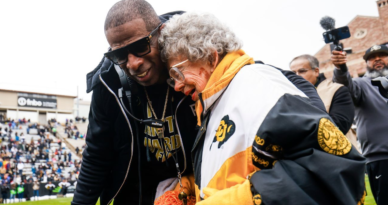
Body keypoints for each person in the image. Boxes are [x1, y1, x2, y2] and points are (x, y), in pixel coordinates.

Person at [157, 12, 366, 204]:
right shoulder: (217, 101)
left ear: (210, 57)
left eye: (177, 73)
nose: (177, 85)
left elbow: (332, 171)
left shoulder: (260, 87)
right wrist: (189, 187)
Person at [72, 1, 198, 205]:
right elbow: (96, 155)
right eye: (119, 54)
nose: (133, 63)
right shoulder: (108, 83)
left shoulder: (196, 59)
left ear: (161, 33)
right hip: (134, 197)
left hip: (197, 193)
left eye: (141, 46)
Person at [331, 44, 388, 205]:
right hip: (382, 158)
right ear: (367, 63)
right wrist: (341, 68)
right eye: (371, 57)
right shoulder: (361, 84)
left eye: (382, 55)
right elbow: (345, 86)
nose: (377, 59)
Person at [289, 54, 359, 151]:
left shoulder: (337, 90)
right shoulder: (289, 96)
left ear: (316, 71)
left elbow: (340, 125)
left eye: (302, 71)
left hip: (340, 156)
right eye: (293, 73)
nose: (296, 76)